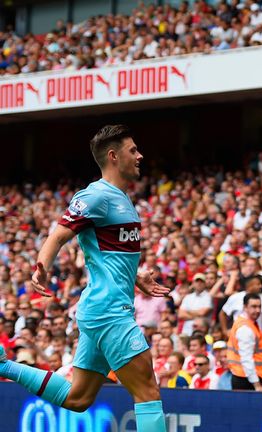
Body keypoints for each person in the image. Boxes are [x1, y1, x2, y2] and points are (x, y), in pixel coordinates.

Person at [0, 126, 169, 431]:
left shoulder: (122, 198)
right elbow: (58, 235)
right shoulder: (96, 196)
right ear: (114, 156)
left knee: (78, 398)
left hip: (100, 309)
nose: (140, 155)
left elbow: (110, 257)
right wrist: (42, 266)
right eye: (133, 150)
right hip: (108, 313)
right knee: (147, 392)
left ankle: (3, 365)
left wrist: (136, 276)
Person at [227, 293, 262, 391]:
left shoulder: (249, 324)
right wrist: (257, 384)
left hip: (245, 376)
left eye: (259, 306)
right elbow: (246, 358)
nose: (258, 310)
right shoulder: (245, 328)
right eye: (253, 307)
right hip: (246, 379)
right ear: (245, 307)